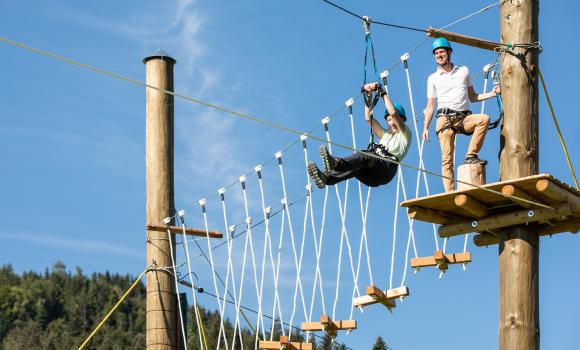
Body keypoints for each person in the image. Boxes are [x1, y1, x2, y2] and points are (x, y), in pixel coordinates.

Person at [422, 38, 500, 192]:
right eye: (436, 53)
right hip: (444, 119)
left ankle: (471, 155)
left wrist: (492, 93)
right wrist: (426, 127)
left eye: (442, 51)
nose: (439, 55)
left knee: (483, 119)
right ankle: (450, 192)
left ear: (449, 52)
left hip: (463, 118)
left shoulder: (463, 71)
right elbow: (430, 106)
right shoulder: (433, 78)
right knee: (447, 159)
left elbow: (472, 96)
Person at [308, 82, 412, 189]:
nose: (391, 122)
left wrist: (382, 93)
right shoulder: (385, 135)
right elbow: (368, 118)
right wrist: (368, 95)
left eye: (393, 120)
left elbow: (394, 114)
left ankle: (336, 163)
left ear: (402, 120)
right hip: (373, 176)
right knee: (356, 167)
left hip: (386, 168)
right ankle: (327, 179)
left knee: (365, 156)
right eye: (388, 120)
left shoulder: (405, 133)